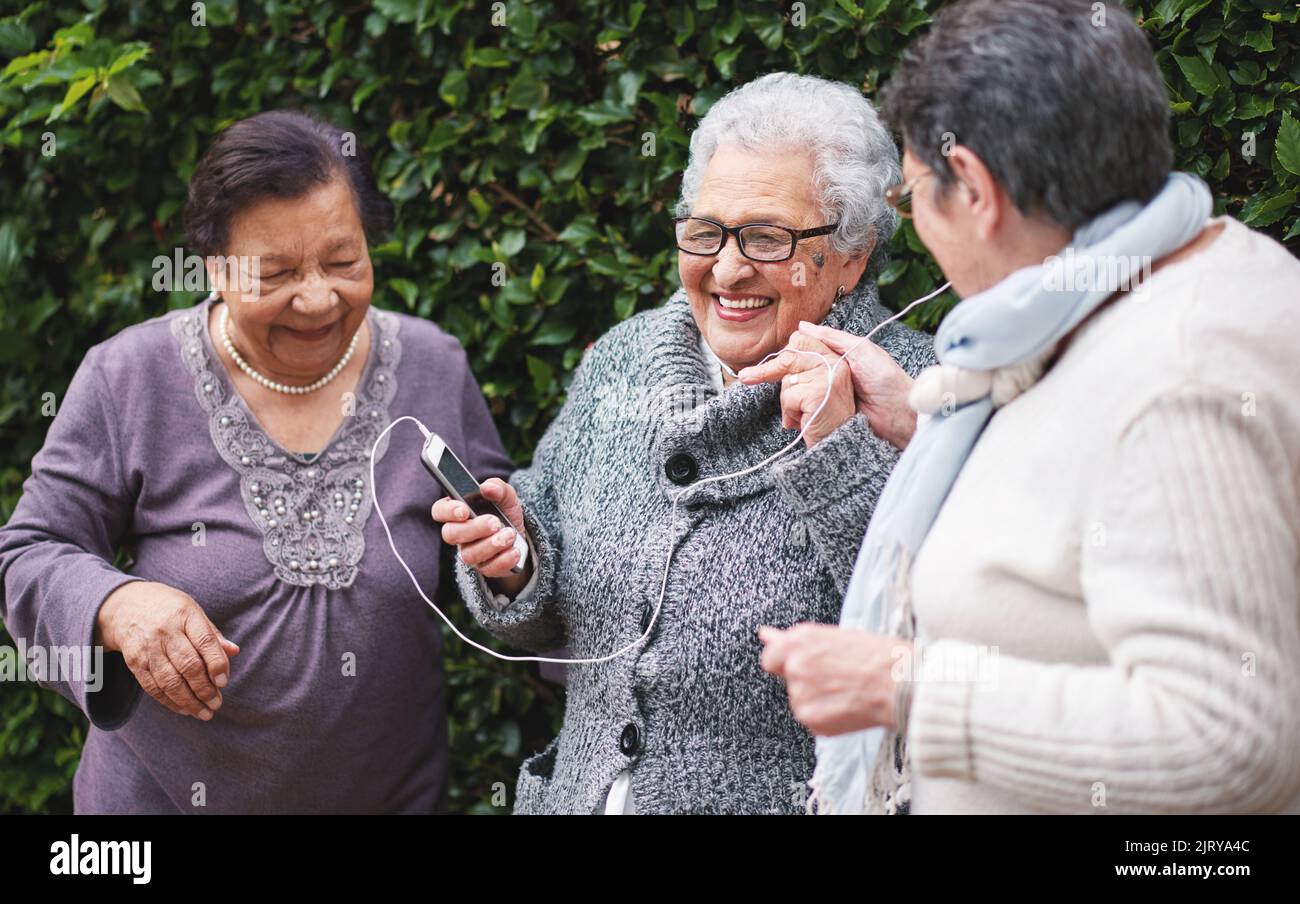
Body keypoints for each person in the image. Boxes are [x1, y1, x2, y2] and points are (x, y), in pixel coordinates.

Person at [760, 0, 1300, 814]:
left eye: (917, 199)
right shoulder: (1158, 274)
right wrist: (917, 417)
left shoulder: (1180, 376)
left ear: (973, 188)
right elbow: (1089, 487)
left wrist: (904, 687)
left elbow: (1228, 739)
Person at [434, 73, 935, 814]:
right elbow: (551, 618)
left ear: (852, 254)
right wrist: (515, 562)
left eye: (768, 237)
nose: (728, 270)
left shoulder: (918, 392)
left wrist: (840, 453)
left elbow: (934, 641)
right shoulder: (623, 360)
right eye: (706, 233)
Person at [0, 110, 514, 813]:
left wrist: (509, 561)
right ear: (213, 263)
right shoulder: (130, 377)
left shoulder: (433, 366)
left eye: (344, 262)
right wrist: (114, 605)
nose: (317, 298)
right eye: (275, 273)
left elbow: (506, 565)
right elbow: (28, 552)